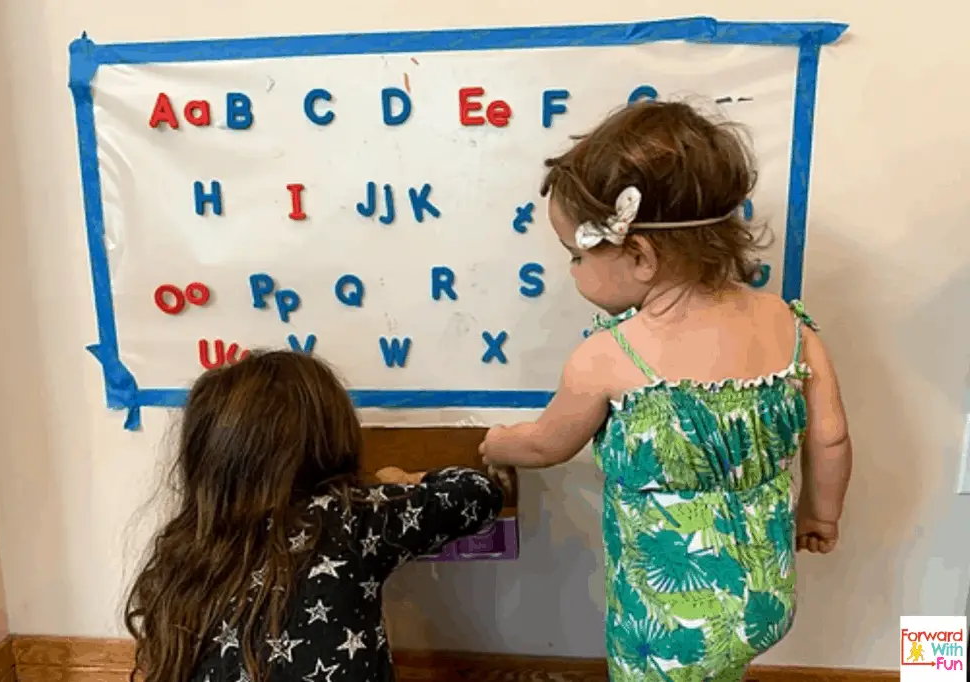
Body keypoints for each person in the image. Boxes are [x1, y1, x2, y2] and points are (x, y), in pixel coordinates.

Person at [479, 100, 852, 681]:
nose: (572, 270)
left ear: (640, 255)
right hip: (766, 597)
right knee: (722, 667)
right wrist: (820, 516)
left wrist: (496, 442)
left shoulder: (608, 357)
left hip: (669, 620)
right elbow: (831, 437)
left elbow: (546, 445)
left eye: (577, 256)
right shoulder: (790, 325)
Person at [124, 350, 510, 682]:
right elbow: (477, 493)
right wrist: (406, 480)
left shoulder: (187, 550)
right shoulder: (347, 515)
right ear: (328, 442)